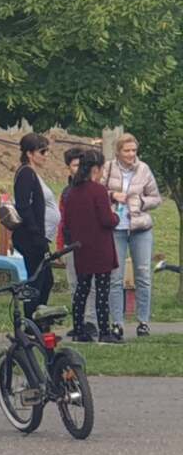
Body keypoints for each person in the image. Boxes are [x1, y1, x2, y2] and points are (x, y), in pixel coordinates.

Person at [102, 133, 161, 337]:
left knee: (143, 274)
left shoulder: (143, 169)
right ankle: (117, 322)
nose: (130, 154)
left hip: (140, 227)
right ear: (118, 151)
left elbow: (156, 198)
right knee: (115, 277)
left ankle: (143, 321)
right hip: (116, 228)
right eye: (126, 150)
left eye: (134, 150)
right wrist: (112, 195)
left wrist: (140, 202)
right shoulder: (108, 168)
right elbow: (97, 192)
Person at [63, 149, 120, 343]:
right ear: (96, 169)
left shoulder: (72, 192)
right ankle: (104, 331)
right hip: (100, 246)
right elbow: (107, 219)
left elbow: (67, 221)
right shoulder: (98, 190)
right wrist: (116, 217)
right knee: (102, 290)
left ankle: (79, 329)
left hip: (81, 247)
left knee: (82, 289)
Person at [12, 133, 58, 319]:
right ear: (29, 154)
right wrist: (36, 233)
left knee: (46, 280)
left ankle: (38, 318)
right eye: (42, 152)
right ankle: (31, 320)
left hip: (38, 236)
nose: (46, 155)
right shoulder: (26, 173)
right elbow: (23, 205)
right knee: (38, 281)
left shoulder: (32, 173)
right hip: (31, 238)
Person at [59, 146, 96, 337]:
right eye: (75, 165)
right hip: (71, 242)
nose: (79, 169)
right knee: (74, 283)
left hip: (90, 243)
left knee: (90, 284)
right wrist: (60, 245)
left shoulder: (93, 189)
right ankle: (78, 321)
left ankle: (91, 320)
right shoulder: (66, 192)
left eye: (81, 165)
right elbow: (62, 220)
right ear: (68, 168)